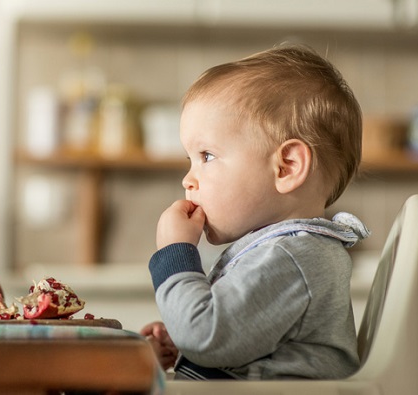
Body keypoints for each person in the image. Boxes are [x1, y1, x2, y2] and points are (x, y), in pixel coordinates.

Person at [140, 44, 371, 381]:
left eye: (207, 155)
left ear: (286, 167)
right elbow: (232, 339)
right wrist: (182, 340)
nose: (188, 179)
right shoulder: (283, 251)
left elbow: (208, 336)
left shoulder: (291, 256)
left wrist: (175, 254)